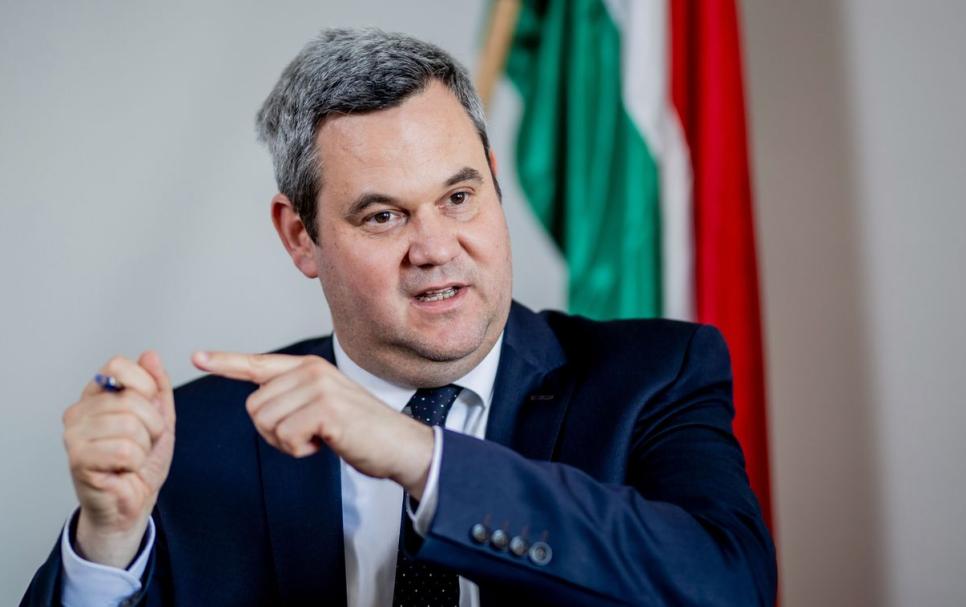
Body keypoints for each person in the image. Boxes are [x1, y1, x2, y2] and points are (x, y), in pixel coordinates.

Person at [22, 28, 776, 606]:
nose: (437, 248)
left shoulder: (654, 377)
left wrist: (422, 457)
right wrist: (108, 543)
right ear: (300, 236)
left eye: (459, 197)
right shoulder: (196, 436)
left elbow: (729, 585)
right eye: (384, 215)